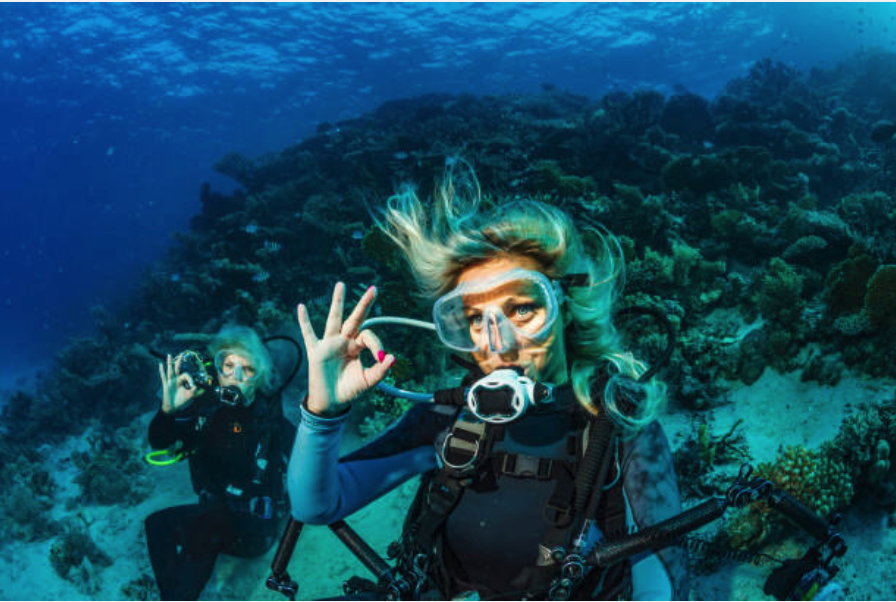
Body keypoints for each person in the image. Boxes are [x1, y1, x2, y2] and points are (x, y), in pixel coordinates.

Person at [288, 165, 689, 600]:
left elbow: (664, 587)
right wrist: (321, 414)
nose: (499, 344)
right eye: (476, 319)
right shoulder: (445, 417)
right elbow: (317, 506)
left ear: (566, 306)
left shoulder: (620, 427)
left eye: (520, 310)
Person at [145, 325, 296, 600]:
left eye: (247, 370)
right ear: (217, 366)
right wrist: (167, 411)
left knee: (207, 527)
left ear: (259, 376)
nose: (235, 377)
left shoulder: (270, 422)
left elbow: (306, 464)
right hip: (213, 512)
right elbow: (158, 441)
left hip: (255, 530)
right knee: (156, 525)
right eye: (228, 366)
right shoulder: (205, 409)